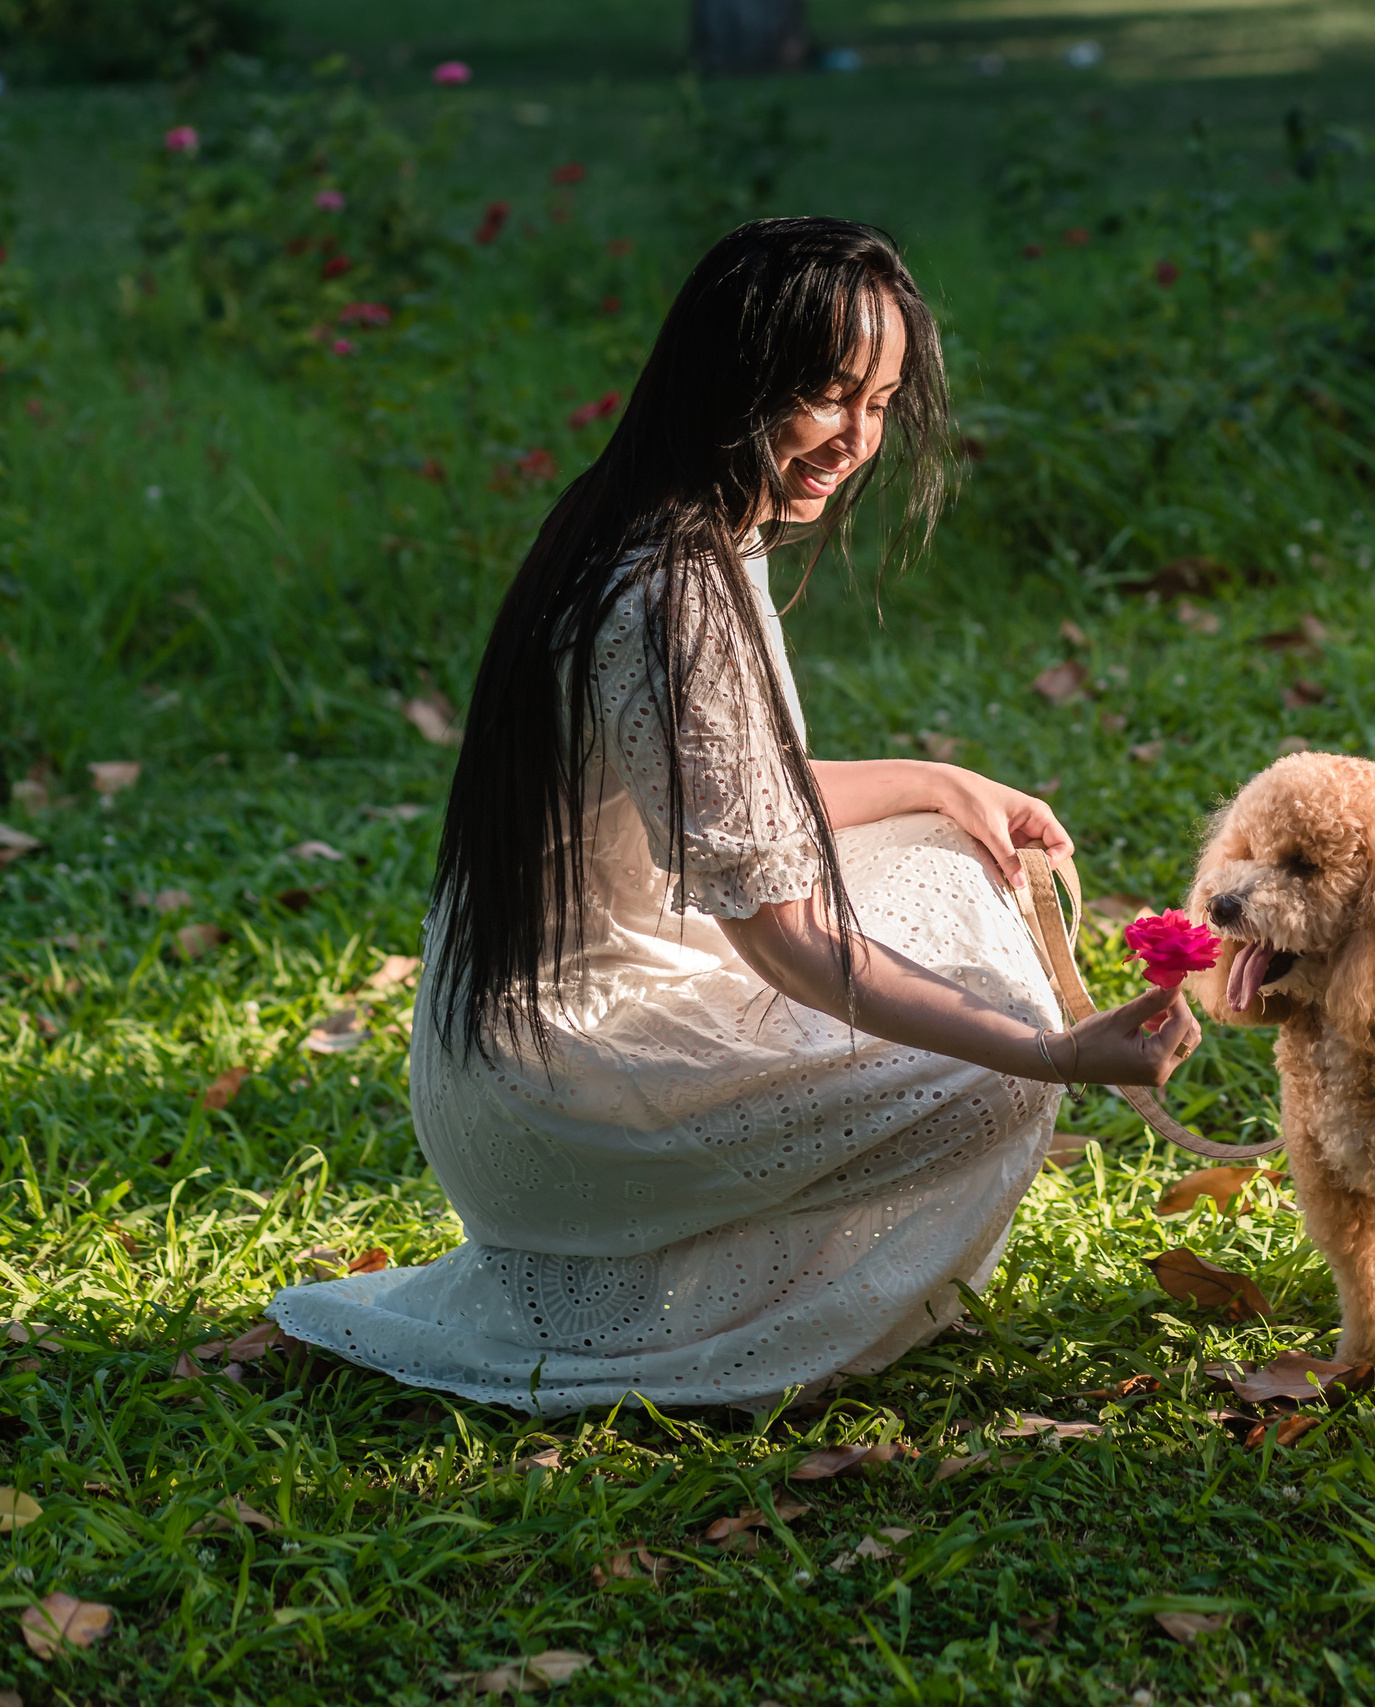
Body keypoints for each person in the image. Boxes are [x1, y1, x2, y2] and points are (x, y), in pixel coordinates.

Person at [268, 218, 1197, 1415]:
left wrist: (934, 780)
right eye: (824, 397)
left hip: (497, 1060)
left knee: (951, 858)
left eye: (882, 401)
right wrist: (1057, 1055)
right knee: (991, 1067)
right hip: (564, 1091)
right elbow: (787, 938)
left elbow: (720, 792)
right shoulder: (673, 595)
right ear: (735, 377)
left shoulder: (653, 516)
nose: (855, 441)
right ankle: (733, 1314)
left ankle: (708, 1260)